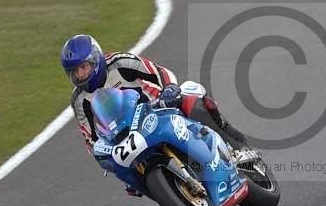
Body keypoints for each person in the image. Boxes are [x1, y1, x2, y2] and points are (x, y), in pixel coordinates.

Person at [60, 34, 248, 196]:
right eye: (74, 71)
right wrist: (106, 156)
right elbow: (91, 138)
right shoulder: (78, 100)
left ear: (96, 59)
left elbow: (159, 72)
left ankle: (235, 144)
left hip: (157, 107)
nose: (80, 75)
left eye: (83, 67)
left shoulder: (120, 62)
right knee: (123, 170)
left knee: (190, 98)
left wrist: (169, 88)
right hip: (126, 135)